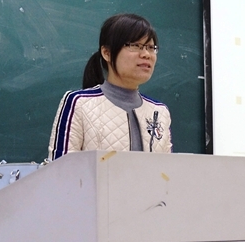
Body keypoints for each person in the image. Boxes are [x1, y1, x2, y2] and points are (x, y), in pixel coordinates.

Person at [48, 13, 172, 160]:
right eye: (135, 46)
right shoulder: (79, 103)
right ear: (107, 53)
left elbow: (168, 171)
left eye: (151, 47)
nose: (146, 54)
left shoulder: (159, 112)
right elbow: (59, 169)